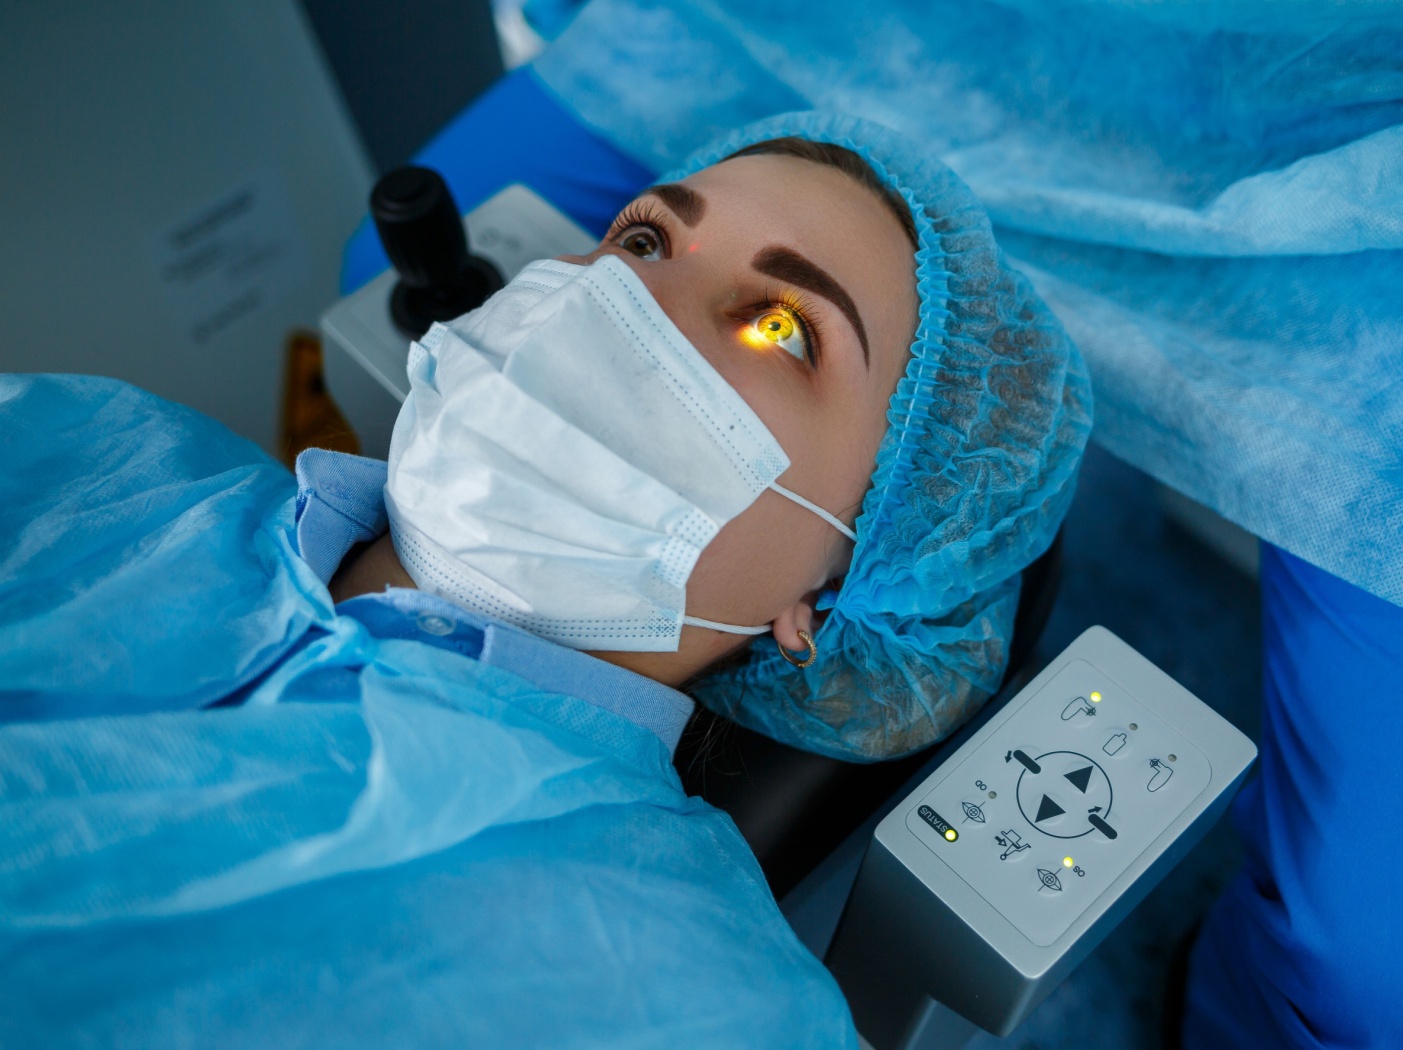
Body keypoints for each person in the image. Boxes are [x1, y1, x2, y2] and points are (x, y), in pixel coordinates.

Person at [0, 112, 1091, 1046]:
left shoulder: (695, 1004)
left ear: (825, 602)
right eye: (649, 236)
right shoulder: (90, 450)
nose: (622, 299)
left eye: (780, 328)